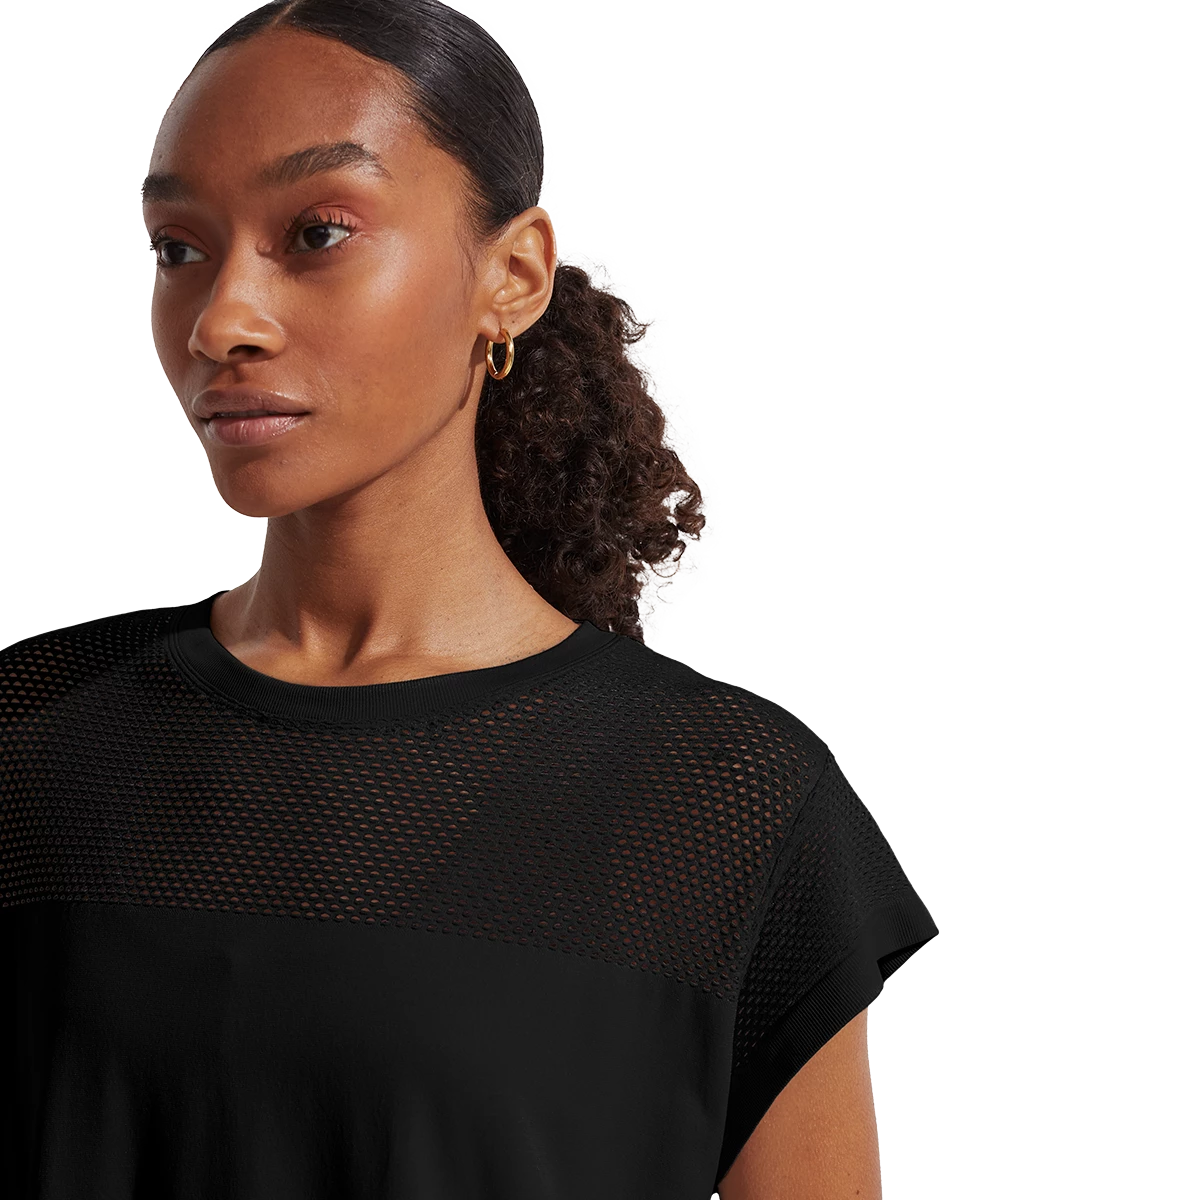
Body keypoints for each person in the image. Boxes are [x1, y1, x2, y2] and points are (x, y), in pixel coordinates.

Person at [1, 3, 940, 1197]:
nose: (222, 320)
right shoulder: (27, 739)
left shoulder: (724, 806)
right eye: (178, 247)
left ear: (512, 275)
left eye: (318, 233)